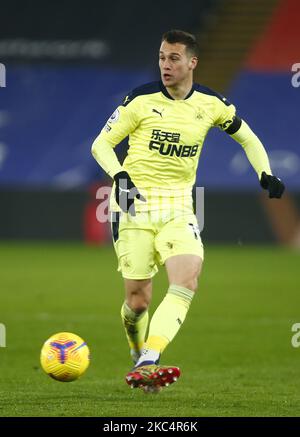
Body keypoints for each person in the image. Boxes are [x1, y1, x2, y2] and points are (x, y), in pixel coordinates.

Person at [91, 29, 285, 393]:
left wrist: (266, 172)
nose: (165, 64)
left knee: (187, 278)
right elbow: (101, 144)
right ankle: (138, 352)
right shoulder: (140, 100)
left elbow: (247, 136)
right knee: (138, 299)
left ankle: (150, 358)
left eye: (174, 58)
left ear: (192, 62)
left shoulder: (211, 104)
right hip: (133, 207)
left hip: (179, 208)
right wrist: (119, 175)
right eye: (162, 57)